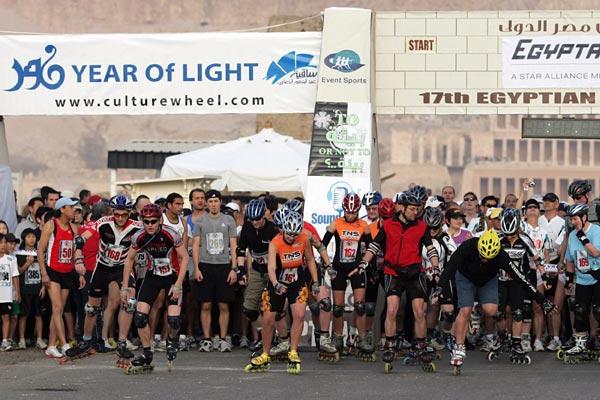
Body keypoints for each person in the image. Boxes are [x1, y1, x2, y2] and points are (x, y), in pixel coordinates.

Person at [432, 230, 555, 375]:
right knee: (465, 309)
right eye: (482, 256)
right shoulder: (468, 246)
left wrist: (541, 299)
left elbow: (519, 277)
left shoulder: (501, 255)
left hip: (487, 280)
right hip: (466, 277)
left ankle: (502, 334)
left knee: (491, 311)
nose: (485, 260)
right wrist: (439, 287)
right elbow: (451, 266)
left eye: (489, 258)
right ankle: (459, 348)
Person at [360, 192, 438, 373]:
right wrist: (364, 262)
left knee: (420, 310)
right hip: (392, 271)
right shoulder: (388, 225)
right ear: (402, 208)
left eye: (418, 209)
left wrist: (435, 267)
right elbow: (374, 245)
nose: (416, 213)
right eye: (412, 209)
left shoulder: (421, 226)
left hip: (414, 271)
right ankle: (389, 345)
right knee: (393, 308)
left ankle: (420, 346)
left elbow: (431, 249)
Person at [65, 195, 142, 366]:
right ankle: (85, 341)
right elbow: (80, 238)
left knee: (130, 303)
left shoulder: (137, 226)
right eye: (117, 214)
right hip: (103, 266)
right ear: (112, 212)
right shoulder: (103, 222)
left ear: (129, 213)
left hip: (122, 267)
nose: (120, 218)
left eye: (124, 215)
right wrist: (78, 258)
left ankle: (121, 343)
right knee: (91, 307)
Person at [244, 211, 319, 374]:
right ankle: (265, 353)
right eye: (289, 234)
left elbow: (311, 259)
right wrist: (276, 284)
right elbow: (270, 267)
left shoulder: (304, 238)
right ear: (282, 230)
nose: (292, 238)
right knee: (269, 319)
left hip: (297, 279)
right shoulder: (275, 242)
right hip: (277, 280)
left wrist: (316, 281)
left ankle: (293, 350)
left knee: (299, 315)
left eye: (294, 234)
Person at [121, 203, 189, 374]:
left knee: (173, 320)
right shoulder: (139, 236)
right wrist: (125, 286)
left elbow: (185, 258)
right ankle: (146, 353)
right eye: (146, 221)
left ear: (159, 220)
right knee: (140, 316)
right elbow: (129, 259)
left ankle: (171, 340)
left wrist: (179, 284)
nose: (149, 225)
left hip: (173, 276)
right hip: (152, 276)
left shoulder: (170, 233)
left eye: (153, 221)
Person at [322, 193, 374, 361]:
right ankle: (337, 338)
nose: (350, 215)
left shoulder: (364, 225)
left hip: (356, 268)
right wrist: (327, 264)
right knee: (337, 308)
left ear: (358, 210)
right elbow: (322, 245)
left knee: (360, 306)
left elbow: (372, 247)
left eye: (354, 212)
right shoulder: (336, 223)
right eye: (348, 212)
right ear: (343, 210)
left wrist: (366, 265)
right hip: (339, 268)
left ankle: (362, 338)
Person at [38, 197, 85, 358]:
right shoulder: (51, 225)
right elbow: (40, 250)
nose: (74, 210)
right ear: (62, 209)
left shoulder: (73, 228)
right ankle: (64, 344)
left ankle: (51, 345)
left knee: (58, 310)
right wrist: (44, 273)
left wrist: (79, 272)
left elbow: (75, 251)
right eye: (71, 207)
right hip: (53, 271)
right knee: (57, 308)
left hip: (67, 271)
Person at [191, 189, 238, 353]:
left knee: (224, 304)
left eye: (215, 201)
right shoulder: (201, 221)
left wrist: (234, 268)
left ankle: (224, 338)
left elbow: (233, 246)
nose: (213, 204)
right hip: (205, 264)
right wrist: (196, 268)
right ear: (206, 204)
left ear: (220, 202)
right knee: (206, 304)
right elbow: (196, 245)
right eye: (210, 201)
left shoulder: (229, 220)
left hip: (224, 265)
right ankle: (206, 339)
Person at [562, 203, 600, 364]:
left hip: (598, 277)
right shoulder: (571, 236)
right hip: (583, 279)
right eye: (571, 219)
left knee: (598, 310)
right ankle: (581, 344)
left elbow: (595, 252)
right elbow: (570, 260)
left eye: (576, 218)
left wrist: (582, 236)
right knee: (579, 310)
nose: (573, 222)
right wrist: (569, 280)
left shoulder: (597, 231)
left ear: (584, 217)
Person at [16, 228, 46, 350]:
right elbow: (18, 272)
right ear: (24, 238)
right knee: (24, 315)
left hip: (38, 288)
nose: (31, 239)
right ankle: (22, 339)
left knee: (38, 315)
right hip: (25, 289)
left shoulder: (40, 253)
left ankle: (39, 339)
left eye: (33, 236)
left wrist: (44, 287)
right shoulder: (20, 254)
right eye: (28, 237)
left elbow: (44, 270)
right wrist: (27, 263)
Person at [0, 234, 20, 352]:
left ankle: (5, 340)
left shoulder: (11, 259)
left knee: (7, 316)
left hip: (7, 294)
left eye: (4, 242)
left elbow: (15, 276)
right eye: (1, 243)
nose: (3, 245)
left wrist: (17, 292)